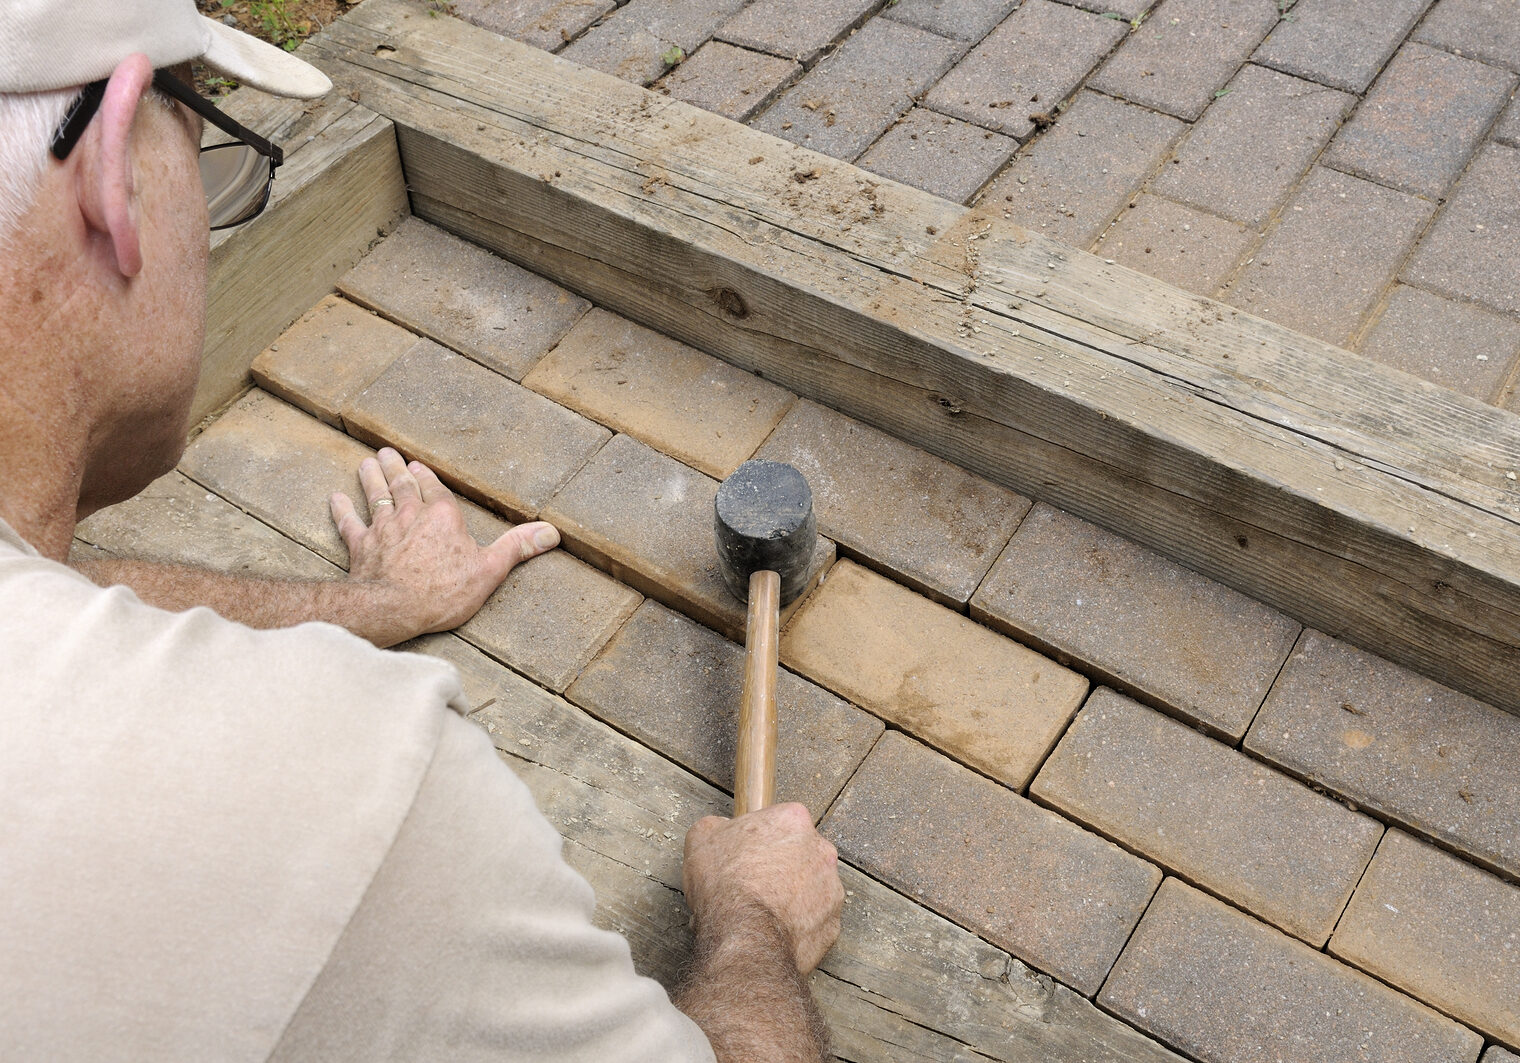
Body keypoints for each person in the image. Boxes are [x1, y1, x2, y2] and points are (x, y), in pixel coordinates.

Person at [0, 3, 844, 1060]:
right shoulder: (344, 792)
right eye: (209, 140)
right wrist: (751, 924)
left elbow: (40, 594)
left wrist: (365, 608)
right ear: (115, 169)